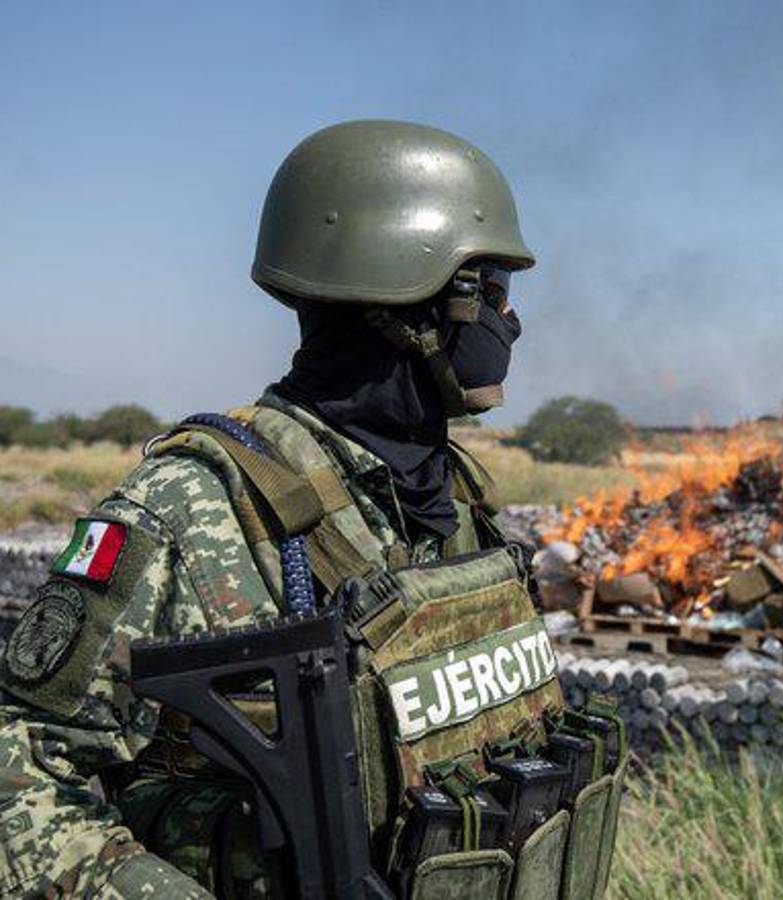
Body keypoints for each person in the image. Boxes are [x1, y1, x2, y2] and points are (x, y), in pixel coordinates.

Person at [0, 121, 562, 897]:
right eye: (492, 292)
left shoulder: (455, 494)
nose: (510, 322)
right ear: (408, 301)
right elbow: (20, 773)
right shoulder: (191, 510)